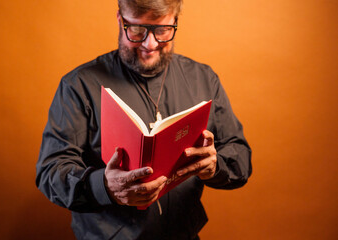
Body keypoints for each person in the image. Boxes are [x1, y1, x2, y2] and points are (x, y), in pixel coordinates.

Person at [36, 0, 252, 239]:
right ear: (120, 20)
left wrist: (215, 165)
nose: (150, 45)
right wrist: (105, 187)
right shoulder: (79, 85)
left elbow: (240, 161)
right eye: (137, 30)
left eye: (162, 31)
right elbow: (50, 172)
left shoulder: (204, 79)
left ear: (175, 22)